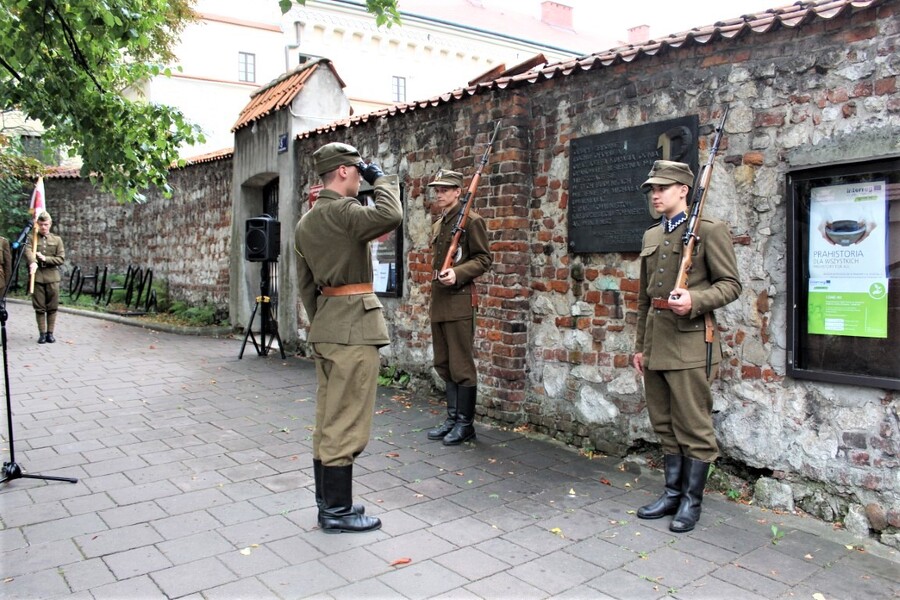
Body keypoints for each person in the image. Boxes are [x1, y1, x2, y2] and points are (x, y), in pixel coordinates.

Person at [294, 142, 402, 534]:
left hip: (328, 326)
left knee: (328, 417)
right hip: (355, 328)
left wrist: (322, 321)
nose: (360, 175)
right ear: (342, 171)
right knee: (348, 420)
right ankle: (337, 512)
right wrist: (382, 180)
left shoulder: (306, 222)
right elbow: (392, 215)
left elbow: (306, 286)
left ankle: (329, 502)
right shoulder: (345, 211)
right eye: (358, 169)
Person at [632, 160, 741, 533]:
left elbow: (730, 285)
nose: (656, 194)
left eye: (662, 188)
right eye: (652, 189)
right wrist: (640, 346)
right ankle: (672, 494)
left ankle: (692, 503)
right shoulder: (651, 236)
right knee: (663, 423)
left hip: (692, 344)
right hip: (657, 342)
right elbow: (645, 299)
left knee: (694, 426)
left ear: (684, 190)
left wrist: (694, 300)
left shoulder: (710, 231)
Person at [424, 170, 492, 446]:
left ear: (458, 191)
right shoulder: (441, 223)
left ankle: (465, 424)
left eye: (445, 189)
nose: (439, 193)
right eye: (436, 189)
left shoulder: (472, 221)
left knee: (461, 364)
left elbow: (484, 258)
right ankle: (452, 418)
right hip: (440, 300)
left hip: (460, 300)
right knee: (443, 362)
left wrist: (460, 272)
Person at [24, 211, 66, 344]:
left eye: (46, 224)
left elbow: (61, 258)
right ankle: (42, 333)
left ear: (50, 224)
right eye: (41, 224)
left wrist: (45, 259)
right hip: (37, 276)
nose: (43, 227)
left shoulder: (57, 240)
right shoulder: (32, 238)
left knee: (52, 307)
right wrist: (33, 261)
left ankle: (50, 333)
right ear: (37, 224)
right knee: (39, 307)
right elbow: (27, 251)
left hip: (52, 276)